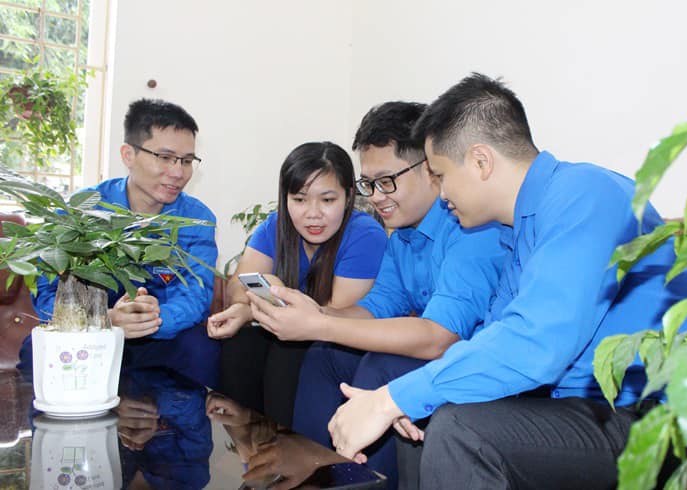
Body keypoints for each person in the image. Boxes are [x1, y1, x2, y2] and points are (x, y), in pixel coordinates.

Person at [323, 74, 687, 490]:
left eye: (441, 174)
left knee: (458, 431)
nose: (441, 192)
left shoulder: (586, 195)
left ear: (480, 161)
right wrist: (408, 396)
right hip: (575, 405)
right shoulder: (519, 229)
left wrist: (391, 399)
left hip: (652, 418)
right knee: (432, 409)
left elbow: (537, 343)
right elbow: (496, 338)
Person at [247, 101, 505, 488]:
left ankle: (362, 481)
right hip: (440, 357)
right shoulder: (402, 238)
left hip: (481, 369)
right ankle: (310, 472)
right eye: (369, 184)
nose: (377, 196)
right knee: (325, 355)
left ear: (431, 169)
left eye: (387, 181)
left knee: (381, 367)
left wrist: (319, 324)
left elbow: (439, 337)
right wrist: (314, 314)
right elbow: (374, 310)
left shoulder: (472, 228)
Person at [18, 99, 220, 388]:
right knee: (35, 352)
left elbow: (196, 295)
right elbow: (49, 292)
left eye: (186, 161)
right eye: (165, 157)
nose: (178, 172)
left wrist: (150, 319)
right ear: (128, 154)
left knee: (202, 349)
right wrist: (105, 319)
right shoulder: (81, 211)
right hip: (92, 334)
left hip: (161, 335)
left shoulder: (197, 220)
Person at [207, 141, 388, 427]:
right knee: (241, 344)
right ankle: (245, 441)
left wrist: (274, 296)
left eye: (327, 200)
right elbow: (238, 286)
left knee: (289, 353)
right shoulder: (276, 226)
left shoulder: (365, 235)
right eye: (300, 199)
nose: (312, 213)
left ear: (348, 197)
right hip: (292, 335)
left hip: (340, 344)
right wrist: (245, 307)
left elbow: (336, 318)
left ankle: (286, 447)